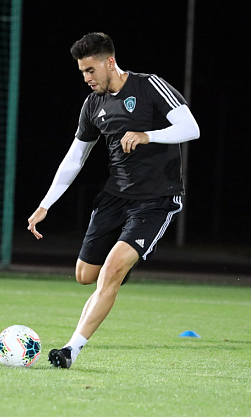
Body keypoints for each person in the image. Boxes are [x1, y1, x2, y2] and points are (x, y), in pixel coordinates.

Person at [27, 32, 200, 368]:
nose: (86, 78)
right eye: (82, 72)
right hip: (114, 197)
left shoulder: (149, 86)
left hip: (156, 199)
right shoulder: (93, 105)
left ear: (109, 62)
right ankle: (122, 267)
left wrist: (148, 135)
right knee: (84, 276)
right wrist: (46, 204)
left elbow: (191, 128)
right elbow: (75, 158)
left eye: (90, 70)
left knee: (110, 271)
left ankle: (70, 350)